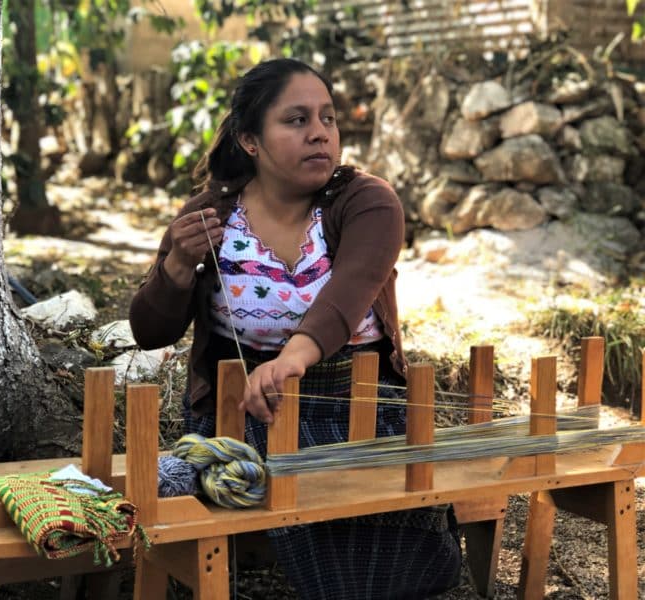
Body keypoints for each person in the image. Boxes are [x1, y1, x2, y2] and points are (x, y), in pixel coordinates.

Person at [129, 58, 461, 599]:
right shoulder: (212, 217)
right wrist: (174, 269)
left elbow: (349, 293)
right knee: (291, 495)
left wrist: (293, 359)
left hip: (362, 407)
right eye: (296, 120)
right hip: (252, 412)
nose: (319, 134)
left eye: (328, 119)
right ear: (250, 141)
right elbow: (148, 331)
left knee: (389, 533)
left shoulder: (368, 203)